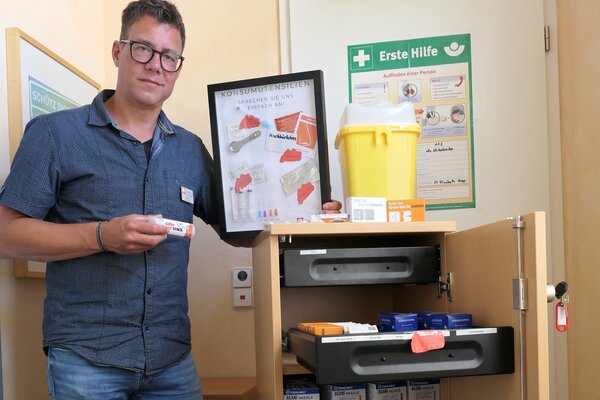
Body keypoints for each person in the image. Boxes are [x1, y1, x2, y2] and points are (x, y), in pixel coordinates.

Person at [0, 0, 341, 398]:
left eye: (169, 56)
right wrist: (102, 236)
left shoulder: (190, 150)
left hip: (171, 360)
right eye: (142, 49)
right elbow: (6, 235)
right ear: (118, 51)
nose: (155, 65)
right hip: (86, 359)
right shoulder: (55, 134)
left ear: (178, 67)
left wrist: (303, 215)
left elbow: (237, 230)